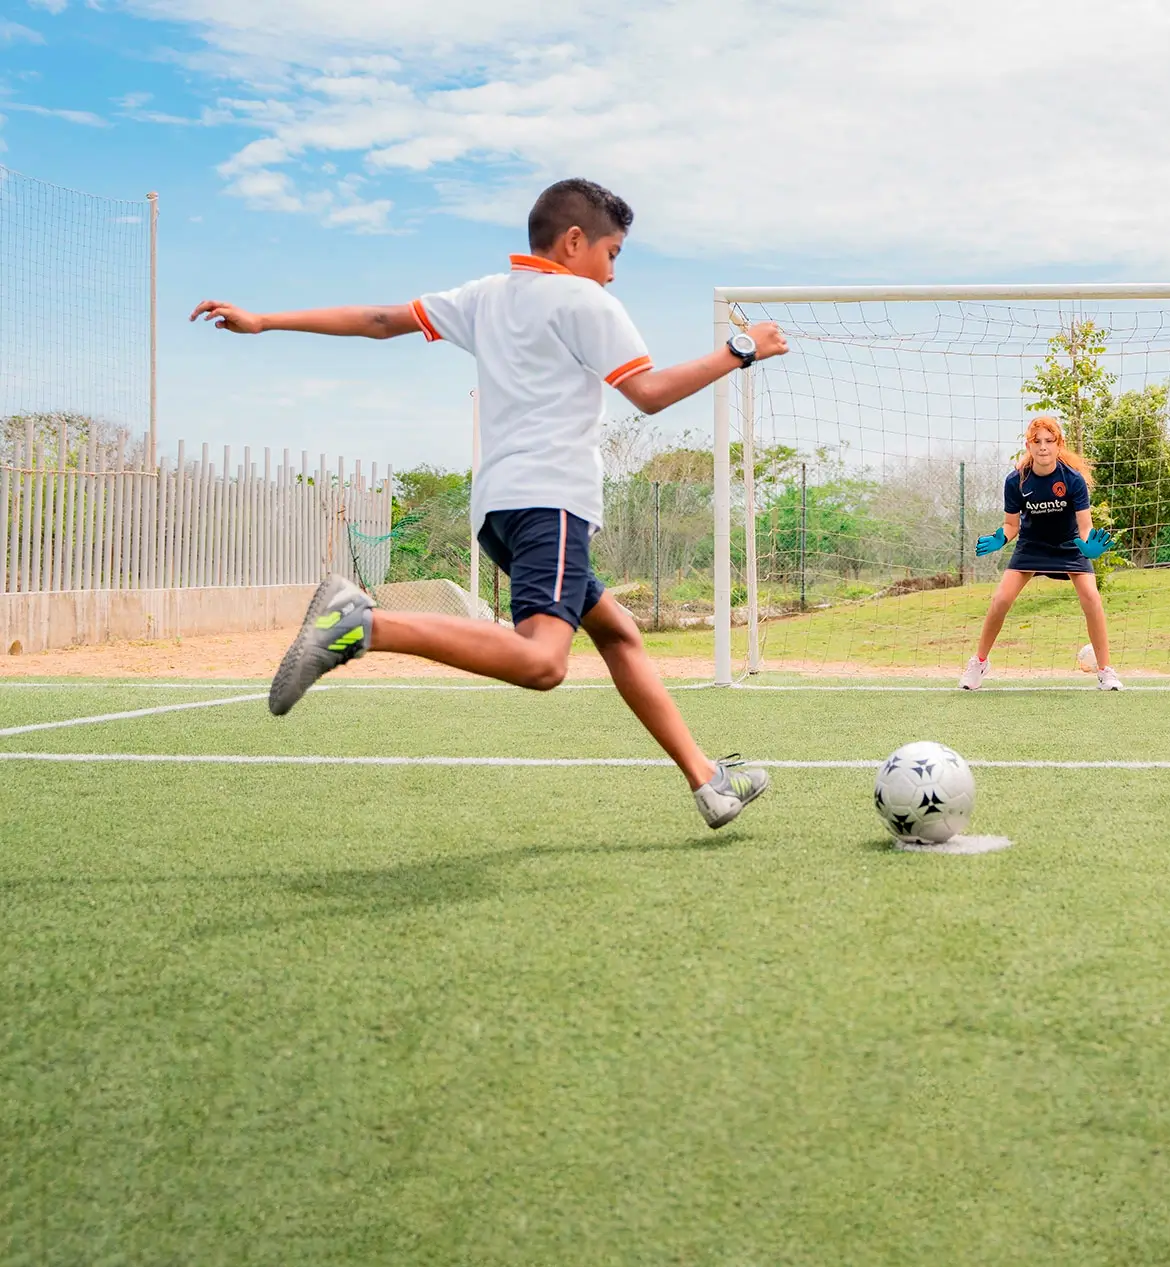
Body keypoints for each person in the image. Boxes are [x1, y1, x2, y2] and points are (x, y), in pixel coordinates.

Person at [191, 178, 783, 829]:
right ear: (575, 241)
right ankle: (362, 624)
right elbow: (648, 392)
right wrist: (739, 350)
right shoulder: (586, 301)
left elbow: (380, 321)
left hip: (500, 513)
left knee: (617, 632)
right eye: (612, 254)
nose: (613, 273)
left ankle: (707, 779)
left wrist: (266, 320)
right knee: (543, 661)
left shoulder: (485, 296)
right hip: (551, 503)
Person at [962, 415, 1122, 691]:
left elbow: (1085, 527)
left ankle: (1106, 671)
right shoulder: (1016, 481)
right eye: (1037, 442)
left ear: (1059, 444)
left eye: (1049, 441)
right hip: (1032, 546)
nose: (1043, 447)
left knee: (1092, 598)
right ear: (1029, 446)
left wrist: (1088, 546)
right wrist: (1000, 538)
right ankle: (979, 663)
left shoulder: (1073, 480)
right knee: (1000, 599)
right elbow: (1011, 524)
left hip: (1069, 545)